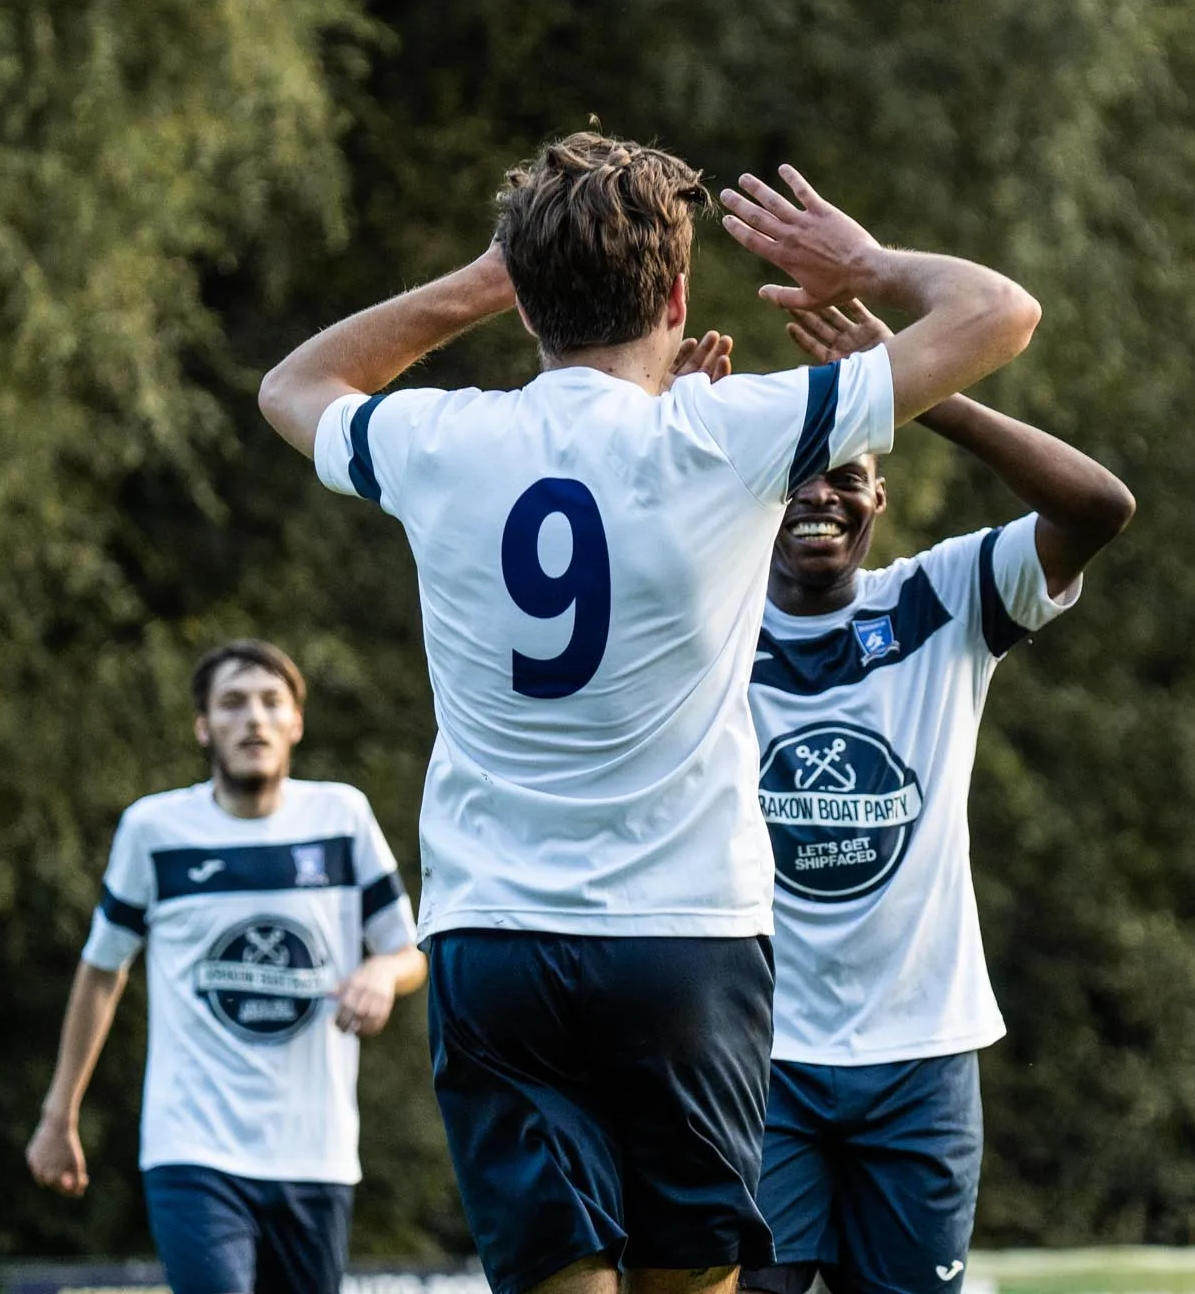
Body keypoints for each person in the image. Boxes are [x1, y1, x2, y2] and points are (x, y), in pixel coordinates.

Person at [253, 133, 1042, 1294]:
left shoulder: (444, 441)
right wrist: (860, 262)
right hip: (686, 941)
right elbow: (1000, 313)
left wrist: (476, 283)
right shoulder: (732, 433)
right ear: (677, 297)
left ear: (526, 306)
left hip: (495, 937)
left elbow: (294, 386)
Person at [736, 301, 1133, 1294]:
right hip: (759, 1055)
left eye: (845, 474)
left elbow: (1098, 507)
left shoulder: (942, 600)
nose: (818, 494)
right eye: (794, 476)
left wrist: (920, 389)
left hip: (921, 1058)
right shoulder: (701, 625)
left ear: (880, 499)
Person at [26, 639, 428, 1294]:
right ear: (204, 726)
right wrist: (58, 1115)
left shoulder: (341, 817)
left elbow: (409, 951)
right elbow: (102, 969)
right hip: (193, 1148)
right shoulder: (154, 832)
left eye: (272, 703)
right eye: (233, 703)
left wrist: (381, 976)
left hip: (315, 1154)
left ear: (296, 723)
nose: (254, 719)